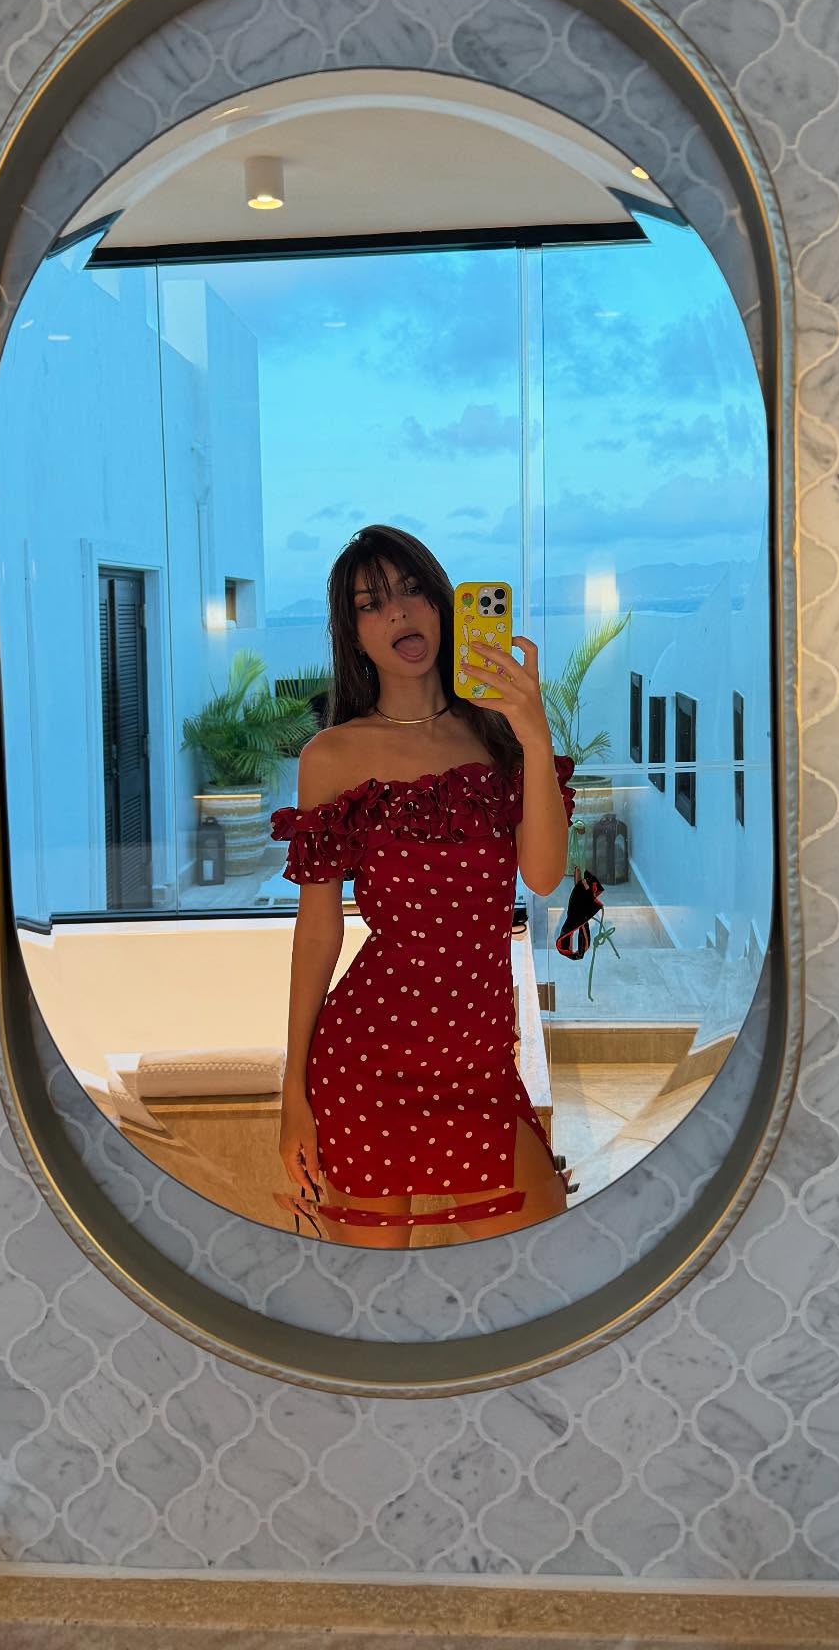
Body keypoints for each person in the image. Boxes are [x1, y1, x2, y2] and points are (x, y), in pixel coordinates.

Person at [269, 525, 577, 1245]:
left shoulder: (500, 738)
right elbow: (319, 930)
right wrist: (293, 1092)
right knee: (372, 1295)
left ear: (443, 605)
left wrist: (534, 734)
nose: (399, 612)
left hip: (480, 1063)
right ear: (353, 635)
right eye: (371, 603)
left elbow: (542, 875)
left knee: (545, 1264)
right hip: (366, 1063)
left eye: (411, 591)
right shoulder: (331, 756)